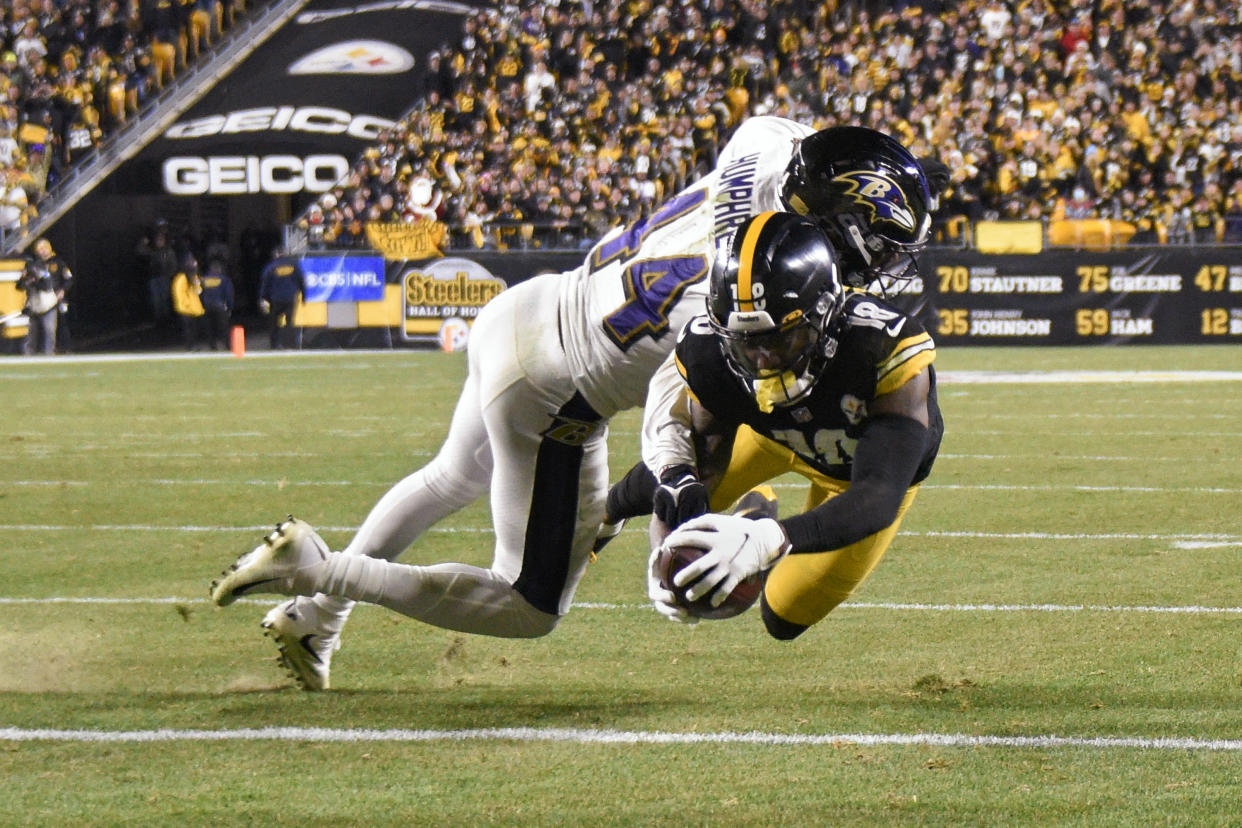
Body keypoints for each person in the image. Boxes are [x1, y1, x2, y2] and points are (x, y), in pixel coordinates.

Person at [209, 118, 933, 691]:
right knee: (529, 605)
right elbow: (669, 421)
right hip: (555, 389)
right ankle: (315, 570)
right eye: (876, 248)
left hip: (533, 306)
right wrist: (674, 523)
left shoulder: (770, 161)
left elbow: (770, 134)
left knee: (449, 476)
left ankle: (315, 619)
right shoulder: (747, 304)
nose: (880, 268)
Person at [639, 211, 943, 639]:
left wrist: (769, 538)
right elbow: (696, 478)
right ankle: (748, 512)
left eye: (779, 339)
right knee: (670, 485)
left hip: (853, 472)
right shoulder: (710, 352)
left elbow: (875, 497)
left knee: (783, 618)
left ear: (825, 315)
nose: (762, 359)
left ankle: (756, 517)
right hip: (770, 435)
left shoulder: (883, 347)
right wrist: (666, 551)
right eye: (745, 344)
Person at [18, 238, 70, 355]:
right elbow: (20, 285)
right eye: (39, 249)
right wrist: (27, 279)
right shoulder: (33, 265)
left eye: (44, 248)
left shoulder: (55, 263)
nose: (42, 252)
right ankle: (28, 356)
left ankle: (51, 353)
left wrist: (34, 281)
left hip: (49, 302)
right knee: (31, 333)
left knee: (50, 330)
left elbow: (47, 286)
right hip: (34, 304)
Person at [257, 249, 304, 350]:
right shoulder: (294, 265)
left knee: (274, 323)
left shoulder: (271, 267)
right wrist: (304, 296)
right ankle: (291, 344)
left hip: (275, 300)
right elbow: (301, 281)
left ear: (277, 255)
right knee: (290, 322)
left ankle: (275, 345)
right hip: (290, 299)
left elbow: (265, 284)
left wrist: (263, 298)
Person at [170, 254, 206, 350]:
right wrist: (186, 304)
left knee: (194, 328)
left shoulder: (193, 277)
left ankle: (193, 345)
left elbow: (198, 291)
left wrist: (198, 284)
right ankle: (190, 346)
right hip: (185, 308)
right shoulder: (181, 278)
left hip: (193, 307)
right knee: (188, 329)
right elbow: (179, 293)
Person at [199, 258, 234, 351]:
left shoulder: (203, 279)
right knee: (223, 328)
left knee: (210, 327)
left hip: (207, 306)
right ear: (219, 269)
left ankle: (212, 346)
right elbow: (229, 294)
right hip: (220, 306)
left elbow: (199, 293)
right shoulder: (224, 279)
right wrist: (229, 308)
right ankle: (227, 346)